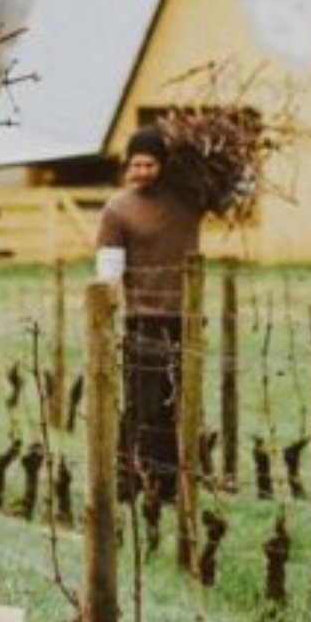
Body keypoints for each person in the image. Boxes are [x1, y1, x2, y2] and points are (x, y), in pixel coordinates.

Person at [95, 125, 203, 502]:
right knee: (143, 404)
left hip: (185, 319)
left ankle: (172, 485)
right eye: (136, 164)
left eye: (150, 164)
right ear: (127, 165)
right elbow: (109, 267)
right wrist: (107, 306)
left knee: (181, 405)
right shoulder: (117, 209)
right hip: (142, 318)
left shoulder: (188, 199)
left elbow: (232, 190)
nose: (142, 171)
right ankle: (129, 480)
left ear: (164, 164)